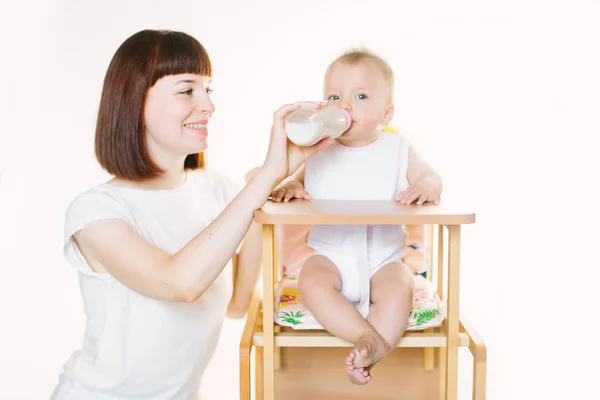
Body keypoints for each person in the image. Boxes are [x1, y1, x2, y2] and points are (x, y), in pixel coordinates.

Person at [50, 29, 333, 400]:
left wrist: (271, 191)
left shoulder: (216, 190)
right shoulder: (95, 212)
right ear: (135, 102)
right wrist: (264, 178)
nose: (208, 105)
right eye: (186, 90)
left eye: (207, 90)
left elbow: (238, 304)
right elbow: (180, 284)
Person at [270, 49, 443, 385]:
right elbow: (296, 179)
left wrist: (425, 186)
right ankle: (371, 339)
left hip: (385, 259)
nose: (345, 105)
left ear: (386, 113)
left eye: (360, 96)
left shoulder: (398, 150)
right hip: (330, 257)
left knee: (400, 287)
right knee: (311, 281)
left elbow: (431, 176)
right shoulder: (318, 149)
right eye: (334, 96)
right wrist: (290, 186)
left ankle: (374, 342)